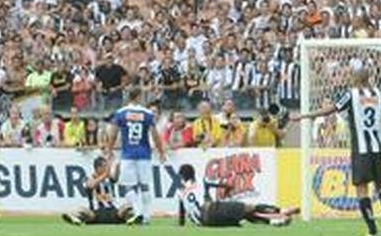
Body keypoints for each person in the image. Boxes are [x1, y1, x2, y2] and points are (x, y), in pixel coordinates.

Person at [292, 65, 381, 236]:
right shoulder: (378, 94)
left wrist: (305, 116)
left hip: (361, 149)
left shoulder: (351, 94)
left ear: (356, 79)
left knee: (362, 189)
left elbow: (331, 110)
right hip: (377, 148)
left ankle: (373, 232)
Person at [104, 94, 167, 225]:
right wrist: (161, 151)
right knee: (145, 186)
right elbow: (154, 134)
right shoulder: (147, 113)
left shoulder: (121, 113)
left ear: (128, 98)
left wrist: (109, 149)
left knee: (128, 186)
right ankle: (147, 216)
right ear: (139, 98)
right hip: (144, 154)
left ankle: (138, 212)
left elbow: (113, 132)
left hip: (128, 154)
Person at [175, 164, 298, 227]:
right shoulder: (202, 182)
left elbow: (181, 219)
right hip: (211, 209)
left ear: (181, 177)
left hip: (205, 223)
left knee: (243, 214)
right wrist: (226, 193)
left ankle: (274, 221)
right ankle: (281, 211)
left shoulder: (180, 193)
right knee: (248, 208)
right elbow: (227, 185)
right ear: (193, 173)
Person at [62, 156, 134, 226]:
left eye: (107, 166)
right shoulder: (88, 178)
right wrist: (105, 174)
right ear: (98, 168)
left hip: (113, 212)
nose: (107, 169)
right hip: (96, 214)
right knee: (81, 209)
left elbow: (116, 177)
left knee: (127, 206)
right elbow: (91, 185)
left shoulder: (109, 178)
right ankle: (76, 219)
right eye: (105, 166)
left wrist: (117, 165)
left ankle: (132, 219)